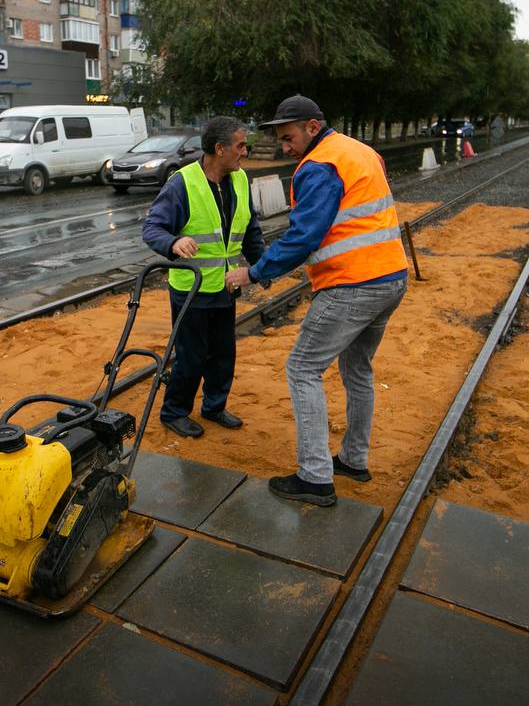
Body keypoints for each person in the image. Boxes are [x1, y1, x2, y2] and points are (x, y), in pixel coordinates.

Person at [225, 95, 407, 506]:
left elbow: (305, 235)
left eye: (288, 138)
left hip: (353, 284)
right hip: (391, 276)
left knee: (303, 368)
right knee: (357, 368)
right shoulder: (360, 151)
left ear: (311, 126)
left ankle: (315, 476)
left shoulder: (320, 165)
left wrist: (253, 272)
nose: (285, 148)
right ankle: (353, 460)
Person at [143, 116, 266, 438]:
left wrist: (262, 268)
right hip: (192, 290)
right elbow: (152, 228)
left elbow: (249, 229)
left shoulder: (239, 181)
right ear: (219, 148)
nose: (245, 151)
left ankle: (214, 407)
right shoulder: (182, 183)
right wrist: (173, 242)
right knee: (191, 356)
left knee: (223, 354)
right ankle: (174, 412)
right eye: (240, 145)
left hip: (225, 286)